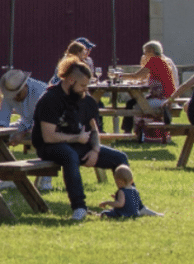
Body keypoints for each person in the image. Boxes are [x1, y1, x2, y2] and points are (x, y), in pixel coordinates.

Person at [32, 58, 129, 221]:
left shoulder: (86, 99)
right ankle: (79, 207)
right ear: (70, 80)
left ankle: (131, 205)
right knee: (70, 156)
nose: (86, 89)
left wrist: (95, 150)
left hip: (78, 144)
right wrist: (77, 137)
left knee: (120, 158)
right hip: (49, 146)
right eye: (83, 85)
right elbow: (48, 136)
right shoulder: (50, 99)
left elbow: (94, 129)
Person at [0, 69, 52, 191]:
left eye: (18, 94)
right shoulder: (10, 93)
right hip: (25, 123)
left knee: (45, 139)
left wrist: (22, 134)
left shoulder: (41, 91)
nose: (15, 97)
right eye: (13, 95)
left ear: (25, 85)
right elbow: (2, 119)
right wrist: (2, 134)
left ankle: (46, 179)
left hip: (48, 124)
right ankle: (7, 176)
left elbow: (43, 121)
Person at [119, 40, 177, 136]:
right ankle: (128, 130)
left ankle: (132, 132)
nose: (144, 55)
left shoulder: (154, 61)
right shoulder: (162, 61)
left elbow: (136, 76)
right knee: (131, 102)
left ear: (151, 51)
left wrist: (119, 76)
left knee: (136, 106)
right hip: (166, 97)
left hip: (163, 100)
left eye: (145, 52)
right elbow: (150, 77)